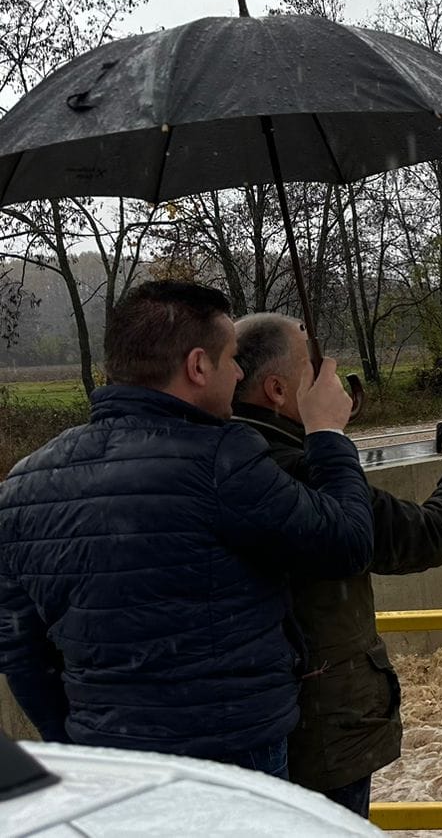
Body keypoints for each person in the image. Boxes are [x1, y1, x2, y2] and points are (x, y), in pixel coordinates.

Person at [0, 281, 374, 779]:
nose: (240, 373)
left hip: (107, 760)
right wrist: (327, 433)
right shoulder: (223, 456)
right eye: (232, 359)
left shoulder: (24, 481)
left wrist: (77, 741)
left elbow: (20, 647)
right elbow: (347, 544)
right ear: (199, 366)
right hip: (235, 753)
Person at [231, 313, 442, 816]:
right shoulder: (305, 473)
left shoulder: (216, 461)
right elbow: (426, 536)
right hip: (324, 735)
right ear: (278, 390)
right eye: (315, 365)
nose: (330, 374)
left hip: (242, 735)